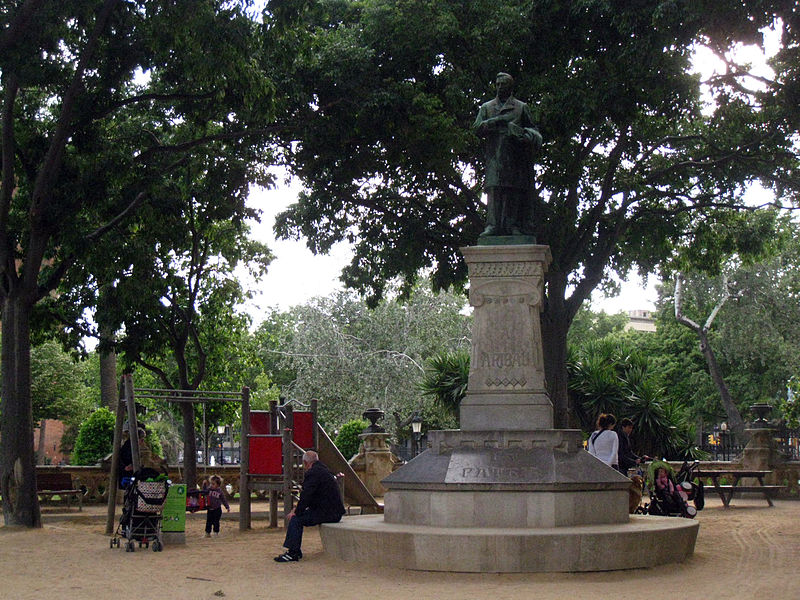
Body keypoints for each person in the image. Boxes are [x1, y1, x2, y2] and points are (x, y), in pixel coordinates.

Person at [473, 72, 542, 238]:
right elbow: (476, 129)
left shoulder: (521, 107)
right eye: (497, 84)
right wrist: (493, 122)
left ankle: (513, 225)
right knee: (494, 190)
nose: (499, 87)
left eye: (502, 84)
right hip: (495, 157)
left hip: (515, 158)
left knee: (513, 191)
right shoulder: (487, 107)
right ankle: (492, 225)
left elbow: (535, 132)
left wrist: (522, 134)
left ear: (510, 87)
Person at [274, 450, 346, 562]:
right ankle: (293, 551)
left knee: (296, 520)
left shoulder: (313, 473)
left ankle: (293, 553)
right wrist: (298, 509)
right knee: (299, 516)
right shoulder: (324, 470)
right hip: (333, 511)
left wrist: (296, 512)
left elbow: (306, 496)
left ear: (306, 463)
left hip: (328, 513)